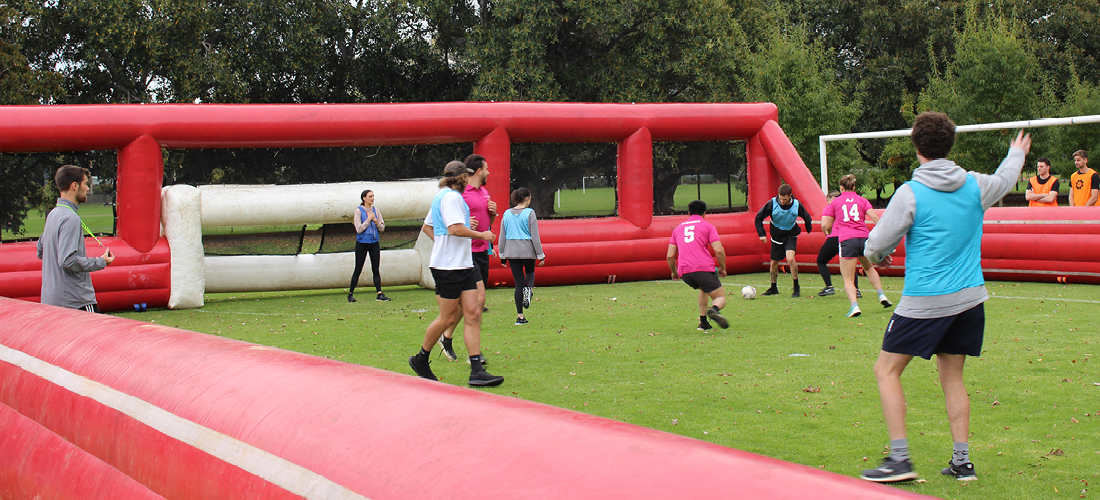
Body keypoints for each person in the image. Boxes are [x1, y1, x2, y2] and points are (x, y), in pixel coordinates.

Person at [859, 111, 1030, 483]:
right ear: (951, 144)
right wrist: (1016, 153)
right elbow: (1006, 178)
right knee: (952, 378)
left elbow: (874, 247)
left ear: (916, 147)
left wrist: (879, 254)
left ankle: (900, 460)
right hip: (969, 300)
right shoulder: (975, 185)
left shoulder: (910, 193)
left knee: (885, 370)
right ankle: (962, 462)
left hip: (925, 301)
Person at [409, 160, 503, 387]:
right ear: (460, 177)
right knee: (448, 318)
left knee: (472, 312)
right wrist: (482, 235)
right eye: (466, 176)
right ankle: (420, 359)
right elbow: (454, 229)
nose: (468, 179)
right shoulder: (450, 197)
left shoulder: (442, 196)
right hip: (448, 268)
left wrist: (443, 243)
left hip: (463, 264)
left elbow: (429, 227)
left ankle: (477, 371)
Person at [436, 153, 497, 361]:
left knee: (470, 306)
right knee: (477, 301)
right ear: (478, 171)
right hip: (466, 252)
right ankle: (474, 356)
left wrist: (492, 215)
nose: (489, 172)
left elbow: (485, 223)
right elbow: (451, 225)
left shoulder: (484, 192)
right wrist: (466, 227)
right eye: (486, 168)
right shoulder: (459, 195)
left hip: (482, 250)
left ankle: (448, 338)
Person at [37, 165, 115, 311]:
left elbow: (40, 249)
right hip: (76, 301)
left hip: (51, 302)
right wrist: (101, 261)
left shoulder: (53, 215)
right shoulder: (70, 218)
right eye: (85, 184)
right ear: (74, 186)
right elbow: (67, 260)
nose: (87, 189)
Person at [820, 175, 892, 318]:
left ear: (841, 188)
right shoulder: (862, 200)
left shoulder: (836, 202)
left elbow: (826, 225)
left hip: (847, 239)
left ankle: (854, 306)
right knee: (869, 267)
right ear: (854, 187)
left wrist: (828, 231)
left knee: (847, 278)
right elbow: (876, 218)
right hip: (864, 238)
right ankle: (881, 294)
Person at [667, 200, 729, 331]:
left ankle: (703, 323)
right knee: (720, 297)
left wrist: (674, 272)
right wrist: (723, 268)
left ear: (689, 213)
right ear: (705, 214)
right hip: (703, 268)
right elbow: (719, 250)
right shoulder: (708, 226)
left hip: (685, 272)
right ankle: (714, 310)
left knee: (704, 289)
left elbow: (670, 256)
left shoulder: (678, 229)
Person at [754, 184, 813, 298]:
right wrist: (761, 234)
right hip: (776, 236)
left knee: (790, 259)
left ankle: (796, 287)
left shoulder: (796, 205)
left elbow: (807, 217)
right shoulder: (772, 204)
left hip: (791, 234)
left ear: (790, 196)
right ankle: (773, 287)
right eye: (780, 198)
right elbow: (758, 218)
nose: (782, 201)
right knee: (774, 263)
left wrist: (808, 227)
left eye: (784, 199)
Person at [498, 187, 545, 326]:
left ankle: (520, 316)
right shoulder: (530, 213)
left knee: (518, 283)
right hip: (527, 250)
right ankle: (529, 291)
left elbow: (502, 236)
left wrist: (502, 254)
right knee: (530, 272)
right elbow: (535, 236)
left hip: (511, 251)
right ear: (527, 198)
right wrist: (540, 254)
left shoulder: (506, 213)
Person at [816, 190, 860, 297]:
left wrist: (827, 234)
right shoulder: (846, 207)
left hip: (834, 237)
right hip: (847, 237)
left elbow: (824, 224)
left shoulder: (829, 208)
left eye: (828, 200)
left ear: (831, 199)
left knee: (821, 261)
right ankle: (856, 289)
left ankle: (829, 287)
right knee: (849, 263)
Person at [348, 189, 389, 302]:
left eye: (373, 196)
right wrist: (368, 219)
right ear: (364, 198)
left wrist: (375, 220)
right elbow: (359, 229)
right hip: (362, 243)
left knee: (375, 269)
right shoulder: (358, 211)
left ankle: (379, 293)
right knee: (358, 268)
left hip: (374, 243)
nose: (372, 198)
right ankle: (350, 293)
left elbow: (382, 228)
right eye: (370, 196)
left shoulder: (376, 210)